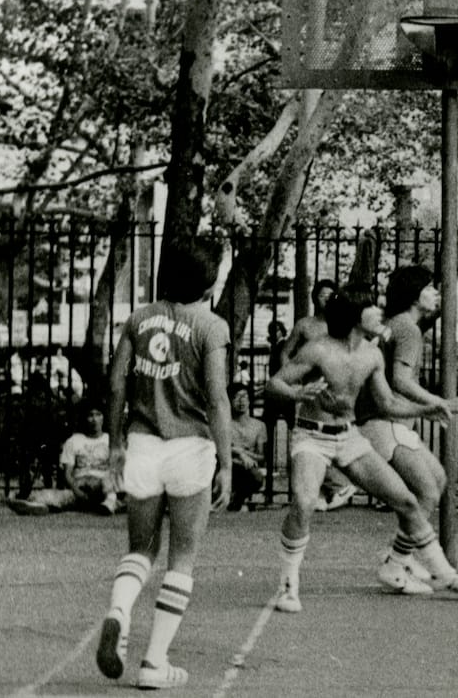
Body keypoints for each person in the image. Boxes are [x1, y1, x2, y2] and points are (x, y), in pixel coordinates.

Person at [263, 288, 458, 612]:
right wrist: (299, 394)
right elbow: (274, 384)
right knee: (305, 502)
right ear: (355, 315)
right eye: (371, 307)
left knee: (407, 501)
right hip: (312, 436)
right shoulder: (318, 350)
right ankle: (288, 586)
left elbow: (388, 403)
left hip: (349, 437)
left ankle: (444, 574)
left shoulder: (372, 354)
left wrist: (431, 407)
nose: (379, 312)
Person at [93, 239, 233, 690]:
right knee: (183, 560)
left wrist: (115, 443)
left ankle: (118, 611)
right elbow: (217, 398)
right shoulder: (212, 326)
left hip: (142, 445)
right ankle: (154, 662)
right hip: (190, 449)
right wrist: (227, 462)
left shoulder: (138, 318)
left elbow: (115, 386)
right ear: (209, 279)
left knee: (140, 550)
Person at [362, 266, 458, 581]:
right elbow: (401, 380)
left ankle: (400, 556)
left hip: (390, 420)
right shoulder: (408, 328)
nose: (437, 293)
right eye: (430, 287)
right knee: (426, 491)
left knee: (436, 480)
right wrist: (439, 402)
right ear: (414, 293)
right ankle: (396, 561)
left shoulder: (395, 324)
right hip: (386, 421)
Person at [273, 279, 357, 512]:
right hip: (308, 387)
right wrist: (292, 376)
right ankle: (313, 490)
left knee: (329, 434)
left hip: (332, 386)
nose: (327, 298)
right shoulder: (305, 325)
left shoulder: (339, 324)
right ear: (314, 297)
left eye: (331, 294)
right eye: (322, 294)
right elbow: (286, 352)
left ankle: (332, 485)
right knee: (304, 435)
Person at [8, 403, 120, 515]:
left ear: (103, 417)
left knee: (110, 485)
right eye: (90, 415)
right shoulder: (74, 441)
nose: (94, 419)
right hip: (79, 486)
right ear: (85, 418)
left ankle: (109, 504)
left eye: (98, 414)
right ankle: (33, 504)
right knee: (49, 496)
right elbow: (67, 474)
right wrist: (78, 492)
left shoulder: (111, 441)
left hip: (102, 486)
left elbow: (117, 470)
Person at [228, 383, 268, 511]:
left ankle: (238, 499)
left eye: (244, 396)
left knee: (256, 476)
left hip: (248, 466)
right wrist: (240, 454)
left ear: (250, 400)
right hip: (229, 464)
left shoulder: (259, 426)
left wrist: (243, 453)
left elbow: (262, 457)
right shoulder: (224, 424)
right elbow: (217, 448)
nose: (241, 401)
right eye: (236, 397)